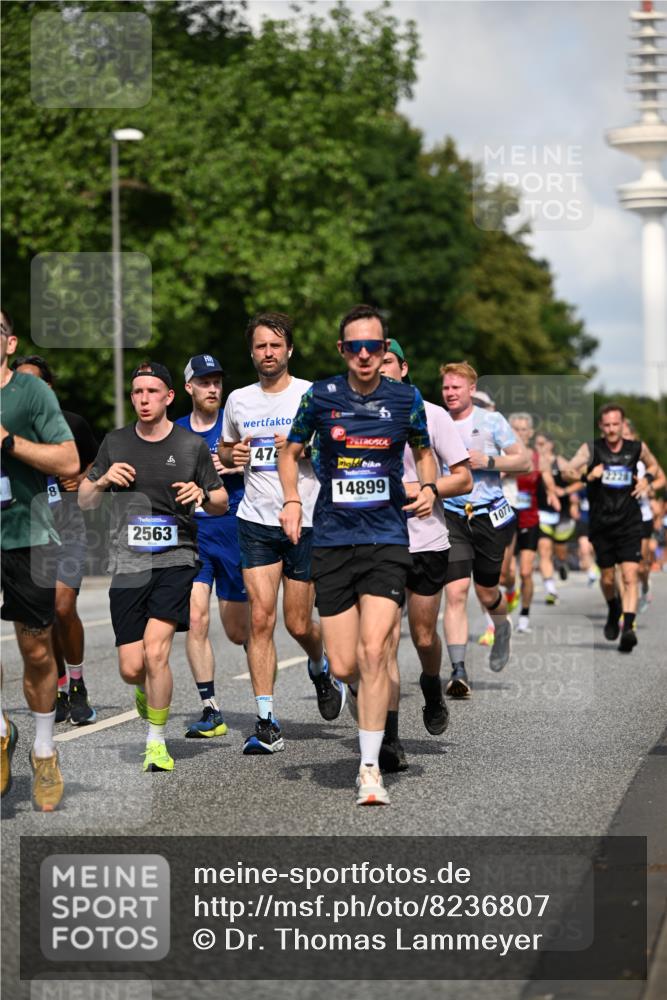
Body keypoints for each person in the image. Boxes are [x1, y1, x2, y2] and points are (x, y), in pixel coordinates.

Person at [279, 304, 438, 806]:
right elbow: (290, 450)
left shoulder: (405, 398)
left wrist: (430, 485)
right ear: (342, 350)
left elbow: (424, 449)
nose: (366, 355)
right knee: (346, 663)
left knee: (374, 652)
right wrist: (290, 499)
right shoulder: (320, 397)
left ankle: (369, 769)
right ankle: (350, 687)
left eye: (375, 347)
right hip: (331, 539)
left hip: (388, 539)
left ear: (385, 349)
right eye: (356, 347)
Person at [79, 362, 228, 771]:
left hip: (176, 558)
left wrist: (201, 492)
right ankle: (146, 693)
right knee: (132, 668)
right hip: (127, 562)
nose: (143, 399)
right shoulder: (115, 442)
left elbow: (221, 502)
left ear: (168, 397)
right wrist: (104, 479)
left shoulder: (189, 445)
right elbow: (85, 499)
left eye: (151, 391)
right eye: (137, 392)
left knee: (156, 651)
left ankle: (156, 742)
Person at [220, 312, 340, 756]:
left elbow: (333, 450)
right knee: (260, 619)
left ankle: (319, 664)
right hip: (255, 519)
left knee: (297, 622)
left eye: (275, 345)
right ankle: (267, 719)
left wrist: (301, 448)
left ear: (288, 350)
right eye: (260, 346)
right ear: (251, 353)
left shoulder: (311, 394)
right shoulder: (239, 400)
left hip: (305, 518)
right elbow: (226, 449)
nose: (267, 353)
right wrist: (236, 453)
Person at [379, 341, 471, 771]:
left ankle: (432, 685)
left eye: (387, 363)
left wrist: (429, 489)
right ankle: (390, 738)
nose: (379, 370)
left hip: (427, 541)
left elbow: (464, 478)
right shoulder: (356, 417)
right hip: (379, 543)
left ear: (404, 367)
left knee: (422, 636)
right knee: (381, 642)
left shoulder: (431, 415)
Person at [0, 310, 79, 810]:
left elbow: (69, 462)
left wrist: (7, 442)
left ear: (8, 345)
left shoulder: (31, 395)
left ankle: (44, 750)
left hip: (26, 535)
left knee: (35, 651)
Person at [11, 355, 99, 726]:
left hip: (68, 528)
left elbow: (97, 463)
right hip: (29, 534)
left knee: (63, 607)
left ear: (48, 387)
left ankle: (77, 684)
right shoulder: (10, 428)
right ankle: (60, 685)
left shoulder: (72, 424)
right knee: (42, 619)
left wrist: (81, 477)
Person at [440, 362, 530, 696]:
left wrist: (489, 462)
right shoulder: (436, 420)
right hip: (452, 515)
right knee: (456, 591)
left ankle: (502, 625)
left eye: (456, 388)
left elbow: (524, 461)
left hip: (489, 516)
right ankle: (458, 670)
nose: (449, 393)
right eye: (446, 387)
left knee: (487, 590)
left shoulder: (491, 421)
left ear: (471, 389)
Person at [175, 355, 248, 738]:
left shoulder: (234, 423)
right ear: (189, 387)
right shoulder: (176, 432)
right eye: (204, 382)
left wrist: (236, 466)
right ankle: (211, 710)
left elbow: (265, 465)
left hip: (235, 530)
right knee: (197, 619)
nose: (213, 388)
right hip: (196, 537)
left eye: (217, 381)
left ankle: (275, 691)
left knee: (239, 631)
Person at [564, 403, 659, 653]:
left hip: (629, 522)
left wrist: (647, 481)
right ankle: (613, 608)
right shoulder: (591, 448)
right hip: (601, 523)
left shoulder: (637, 448)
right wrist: (588, 475)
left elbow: (656, 470)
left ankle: (628, 628)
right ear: (600, 426)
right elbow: (567, 472)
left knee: (630, 575)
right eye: (606, 425)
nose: (611, 429)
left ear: (623, 424)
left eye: (616, 424)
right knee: (607, 579)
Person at [506, 413, 559, 634]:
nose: (519, 433)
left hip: (529, 518)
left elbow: (549, 482)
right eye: (515, 429)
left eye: (523, 429)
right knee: (505, 573)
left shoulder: (538, 458)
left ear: (530, 433)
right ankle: (510, 593)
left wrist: (553, 494)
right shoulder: (503, 455)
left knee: (526, 572)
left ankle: (524, 618)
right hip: (506, 517)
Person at [622, 419, 666, 613]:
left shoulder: (642, 457)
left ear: (633, 436)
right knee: (621, 566)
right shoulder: (609, 458)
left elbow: (662, 478)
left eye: (626, 436)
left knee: (641, 566)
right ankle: (625, 608)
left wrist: (648, 486)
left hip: (642, 516)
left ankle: (645, 586)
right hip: (619, 518)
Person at [534, 433, 579, 604]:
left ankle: (562, 563)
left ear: (551, 444)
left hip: (562, 513)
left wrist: (566, 493)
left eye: (542, 443)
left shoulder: (560, 462)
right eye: (537, 444)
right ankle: (551, 590)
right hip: (541, 512)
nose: (539, 447)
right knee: (544, 550)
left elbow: (580, 481)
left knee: (560, 551)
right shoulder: (532, 462)